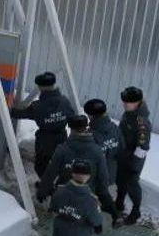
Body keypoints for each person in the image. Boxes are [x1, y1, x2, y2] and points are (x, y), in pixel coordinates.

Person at [41, 115, 121, 227]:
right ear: (86, 127)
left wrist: (42, 192)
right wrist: (103, 192)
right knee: (101, 193)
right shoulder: (97, 150)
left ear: (71, 129)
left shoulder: (62, 149)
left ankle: (55, 211)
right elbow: (103, 176)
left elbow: (50, 173)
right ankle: (116, 216)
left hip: (66, 190)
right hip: (89, 191)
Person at [10, 72, 76, 179]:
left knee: (41, 167)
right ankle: (55, 184)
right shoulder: (65, 102)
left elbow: (18, 114)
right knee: (59, 164)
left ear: (41, 88)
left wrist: (6, 108)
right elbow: (73, 119)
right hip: (61, 139)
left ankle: (47, 187)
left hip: (44, 141)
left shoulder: (38, 106)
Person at [117, 87, 151, 225]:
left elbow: (143, 147)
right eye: (124, 101)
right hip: (124, 154)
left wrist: (134, 166)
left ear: (137, 102)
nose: (124, 104)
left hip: (135, 156)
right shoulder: (128, 113)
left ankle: (135, 211)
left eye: (128, 102)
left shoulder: (142, 122)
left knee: (132, 182)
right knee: (121, 179)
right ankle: (119, 203)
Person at [85, 99, 122, 190]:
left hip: (94, 180)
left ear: (91, 116)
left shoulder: (89, 135)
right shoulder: (115, 128)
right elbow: (122, 150)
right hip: (111, 175)